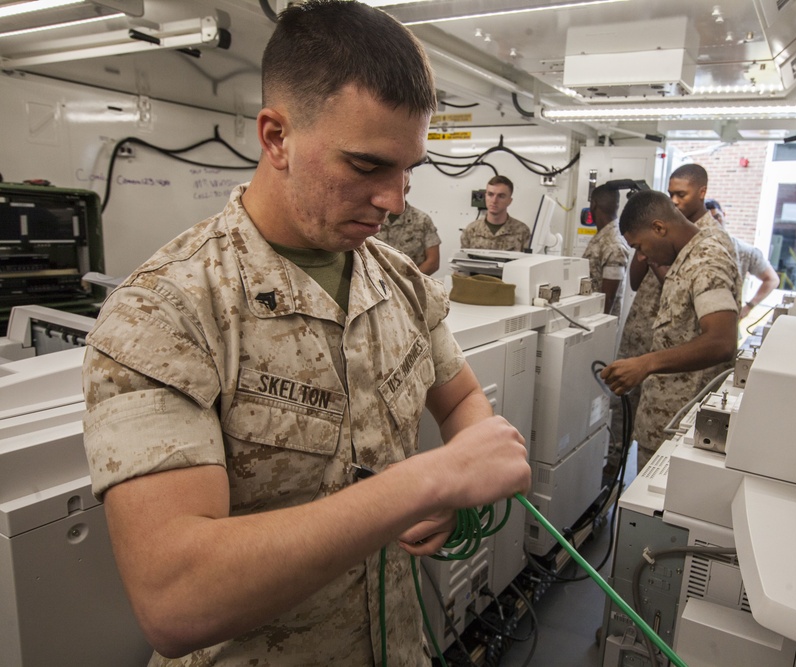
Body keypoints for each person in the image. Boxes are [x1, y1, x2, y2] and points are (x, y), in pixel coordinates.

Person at [80, 3, 531, 666]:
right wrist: (429, 481)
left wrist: (463, 451)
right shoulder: (167, 312)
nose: (395, 200)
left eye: (408, 169)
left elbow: (460, 398)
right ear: (275, 137)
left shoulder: (399, 281)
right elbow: (173, 600)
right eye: (367, 165)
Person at [601, 190, 739, 470]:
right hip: (664, 422)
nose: (641, 254)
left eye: (640, 246)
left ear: (659, 228)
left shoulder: (706, 261)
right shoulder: (685, 258)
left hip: (681, 425)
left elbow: (722, 341)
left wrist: (647, 363)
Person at [705, 198, 780, 318]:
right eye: (709, 219)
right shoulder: (692, 250)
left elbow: (772, 279)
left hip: (727, 323)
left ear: (724, 215)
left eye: (717, 217)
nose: (714, 223)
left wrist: (749, 306)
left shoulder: (744, 251)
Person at [581, 183, 629, 316]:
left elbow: (608, 297)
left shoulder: (613, 243)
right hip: (590, 315)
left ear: (593, 204)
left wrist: (598, 324)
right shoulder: (605, 235)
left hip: (598, 321)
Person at [375, 183, 441, 274]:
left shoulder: (422, 220)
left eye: (401, 187)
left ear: (407, 189)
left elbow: (433, 262)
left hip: (412, 284)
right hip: (375, 282)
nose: (395, 191)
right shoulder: (372, 217)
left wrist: (408, 282)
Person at [459, 175, 531, 252]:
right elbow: (463, 261)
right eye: (490, 194)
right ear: (485, 197)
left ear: (509, 201)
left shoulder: (522, 231)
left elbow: (527, 262)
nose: (494, 200)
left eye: (501, 196)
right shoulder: (471, 230)